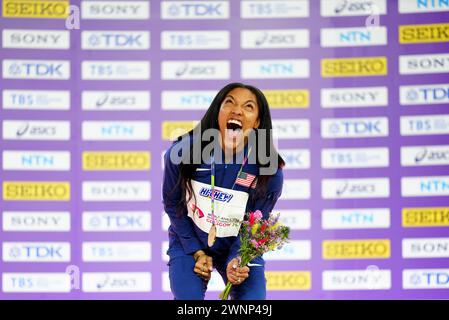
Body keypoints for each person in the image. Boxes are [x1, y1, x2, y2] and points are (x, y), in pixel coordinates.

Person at [162, 82, 285, 300]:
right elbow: (173, 204)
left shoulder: (269, 170)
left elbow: (256, 223)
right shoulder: (182, 152)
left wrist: (238, 258)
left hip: (238, 245)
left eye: (248, 106)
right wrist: (196, 251)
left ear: (257, 122)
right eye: (229, 102)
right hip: (190, 240)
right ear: (217, 111)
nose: (237, 110)